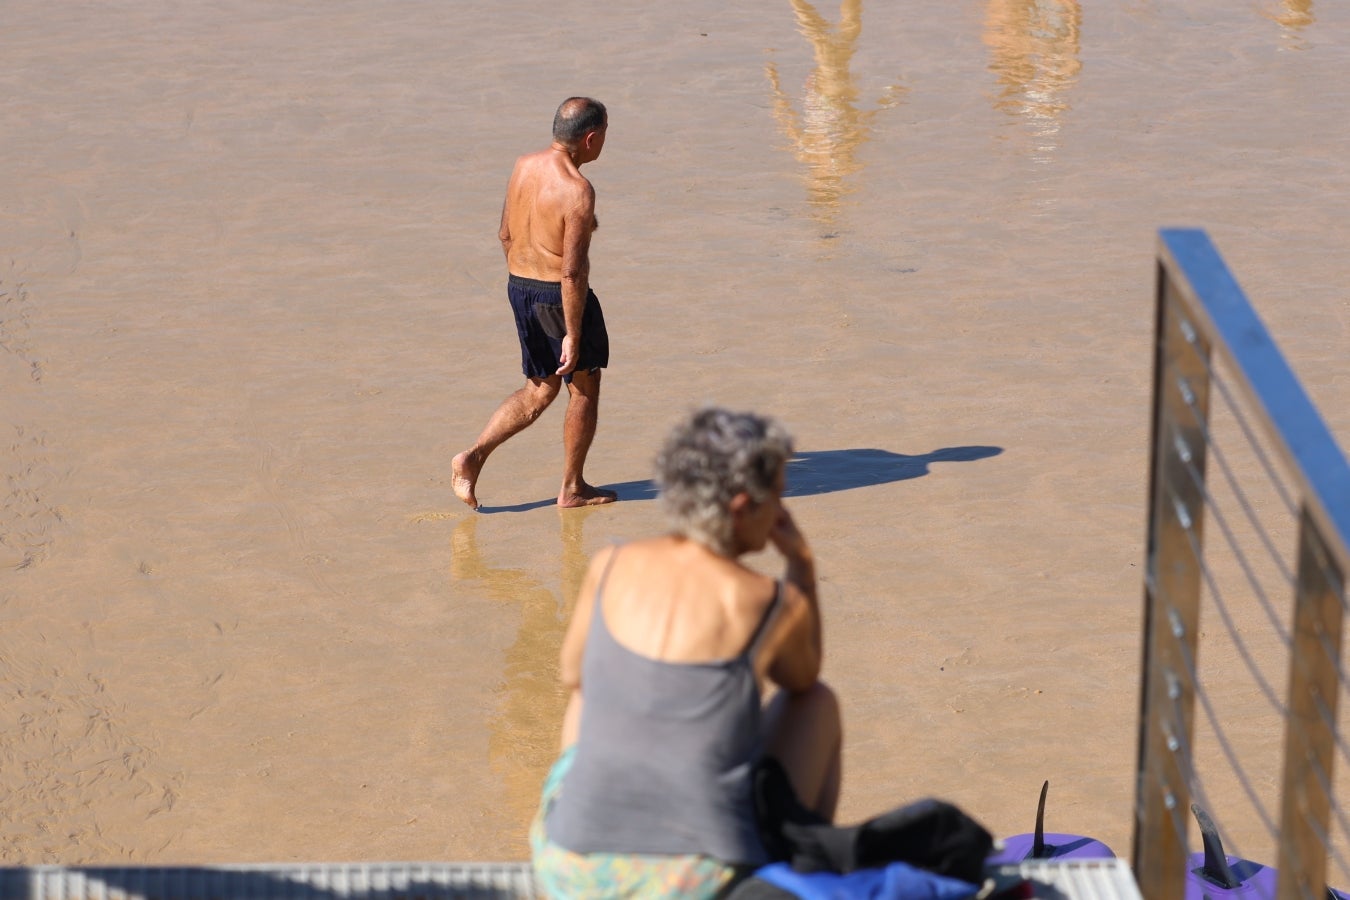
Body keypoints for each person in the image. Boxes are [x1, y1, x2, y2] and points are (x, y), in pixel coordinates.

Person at [530, 407, 843, 898]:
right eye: (778, 497)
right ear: (742, 508)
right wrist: (801, 564)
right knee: (818, 703)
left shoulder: (610, 564)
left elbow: (572, 673)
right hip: (693, 884)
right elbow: (803, 680)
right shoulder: (768, 600)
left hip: (571, 872)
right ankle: (799, 875)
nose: (782, 511)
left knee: (585, 689)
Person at [452, 97, 618, 510]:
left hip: (520, 286)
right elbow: (573, 273)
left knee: (539, 389)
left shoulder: (524, 165)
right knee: (583, 388)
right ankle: (572, 487)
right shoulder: (578, 191)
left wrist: (527, 283)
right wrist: (573, 334)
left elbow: (505, 234)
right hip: (558, 296)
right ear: (591, 138)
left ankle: (473, 457)